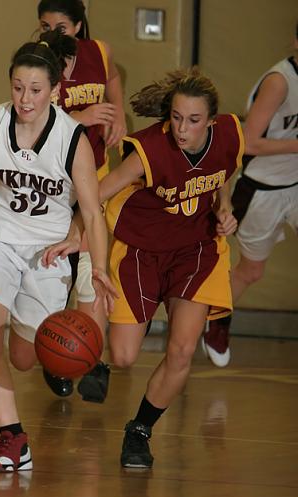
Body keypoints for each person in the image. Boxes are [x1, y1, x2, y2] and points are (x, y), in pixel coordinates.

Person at [46, 66, 244, 467]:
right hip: (142, 250)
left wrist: (225, 207)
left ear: (212, 119)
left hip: (196, 250)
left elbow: (223, 172)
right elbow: (96, 192)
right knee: (122, 357)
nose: (182, 129)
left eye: (193, 120)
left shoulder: (229, 134)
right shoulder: (150, 149)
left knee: (183, 350)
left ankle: (139, 430)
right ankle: (92, 343)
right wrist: (74, 233)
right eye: (175, 118)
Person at [0, 30, 117, 472]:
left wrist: (97, 265)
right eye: (18, 87)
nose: (25, 98)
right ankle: (13, 439)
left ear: (56, 90)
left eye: (36, 90)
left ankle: (37, 350)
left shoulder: (72, 139)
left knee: (24, 359)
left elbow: (92, 209)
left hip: (47, 251)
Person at [37, 0, 127, 403]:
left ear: (78, 24)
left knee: (94, 263)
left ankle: (92, 357)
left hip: (95, 178)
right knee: (57, 269)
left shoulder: (98, 51)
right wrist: (82, 118)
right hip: (54, 185)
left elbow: (113, 78)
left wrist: (118, 115)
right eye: (44, 24)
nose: (52, 31)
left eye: (60, 24)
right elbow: (33, 121)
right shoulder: (39, 61)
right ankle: (55, 353)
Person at [203, 22, 298, 367]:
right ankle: (217, 318)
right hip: (262, 189)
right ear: (296, 41)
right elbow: (250, 142)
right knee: (252, 271)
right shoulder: (279, 82)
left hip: (296, 184)